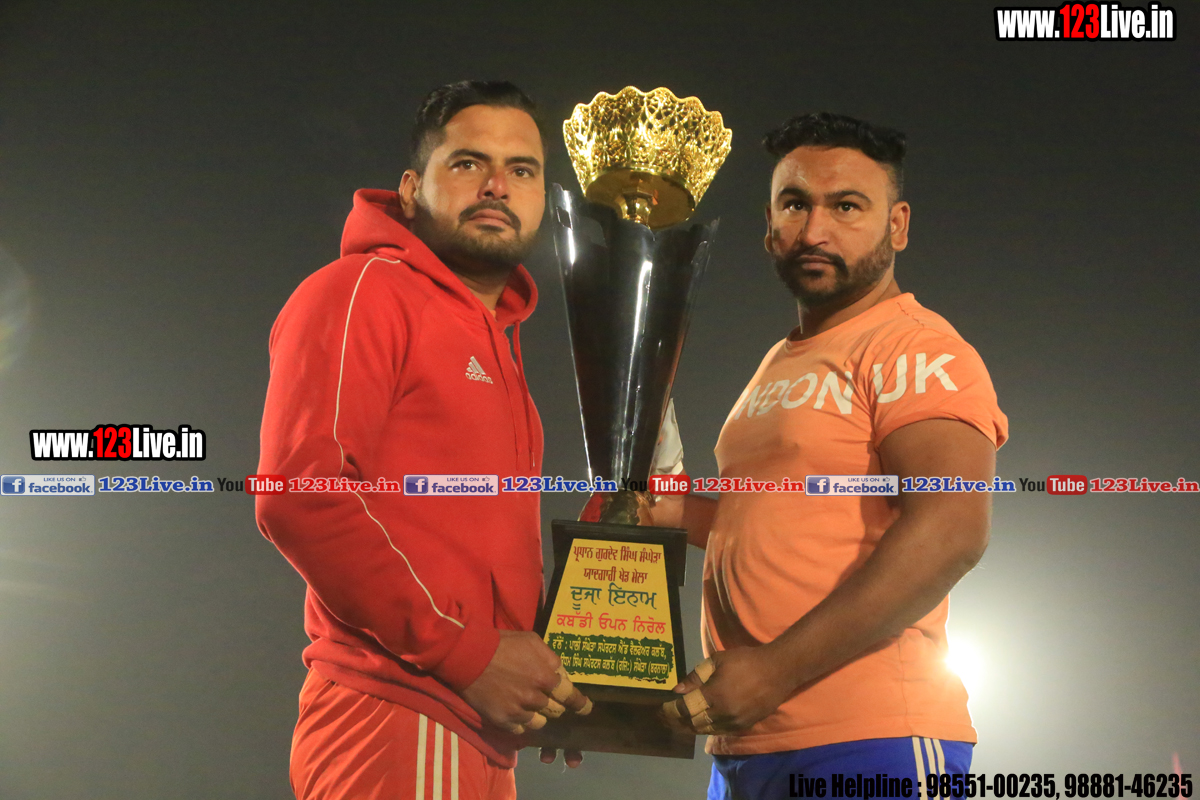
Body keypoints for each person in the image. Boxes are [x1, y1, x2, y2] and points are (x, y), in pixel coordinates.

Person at [653, 112, 1009, 799]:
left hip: (871, 738)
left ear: (897, 225)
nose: (815, 230)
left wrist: (776, 671)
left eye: (846, 206)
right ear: (769, 224)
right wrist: (660, 513)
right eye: (796, 205)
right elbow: (765, 522)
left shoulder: (914, 346)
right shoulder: (781, 361)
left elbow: (952, 529)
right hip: (746, 742)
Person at [255, 80, 588, 800]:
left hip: (475, 730)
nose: (497, 185)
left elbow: (474, 550)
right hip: (399, 714)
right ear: (411, 189)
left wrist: (559, 679)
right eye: (468, 163)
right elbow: (299, 498)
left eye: (522, 169)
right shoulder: (362, 290)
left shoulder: (493, 336)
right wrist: (467, 656)